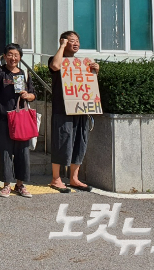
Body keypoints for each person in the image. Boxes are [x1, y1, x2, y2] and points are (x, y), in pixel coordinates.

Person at [48, 31, 100, 193]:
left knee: (80, 142)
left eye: (77, 40)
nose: (76, 43)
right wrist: (62, 46)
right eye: (71, 41)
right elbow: (55, 66)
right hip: (62, 109)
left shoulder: (82, 62)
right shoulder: (56, 59)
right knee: (62, 141)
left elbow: (89, 84)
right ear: (63, 41)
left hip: (81, 108)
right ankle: (56, 179)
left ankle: (74, 178)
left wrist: (95, 71)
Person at [0, 33, 36, 198]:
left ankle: (20, 185)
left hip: (21, 119)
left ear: (20, 57)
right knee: (6, 152)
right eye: (10, 55)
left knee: (23, 152)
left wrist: (27, 96)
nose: (13, 58)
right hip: (3, 119)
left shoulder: (25, 74)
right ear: (5, 56)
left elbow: (33, 94)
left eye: (16, 55)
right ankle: (7, 185)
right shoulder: (1, 73)